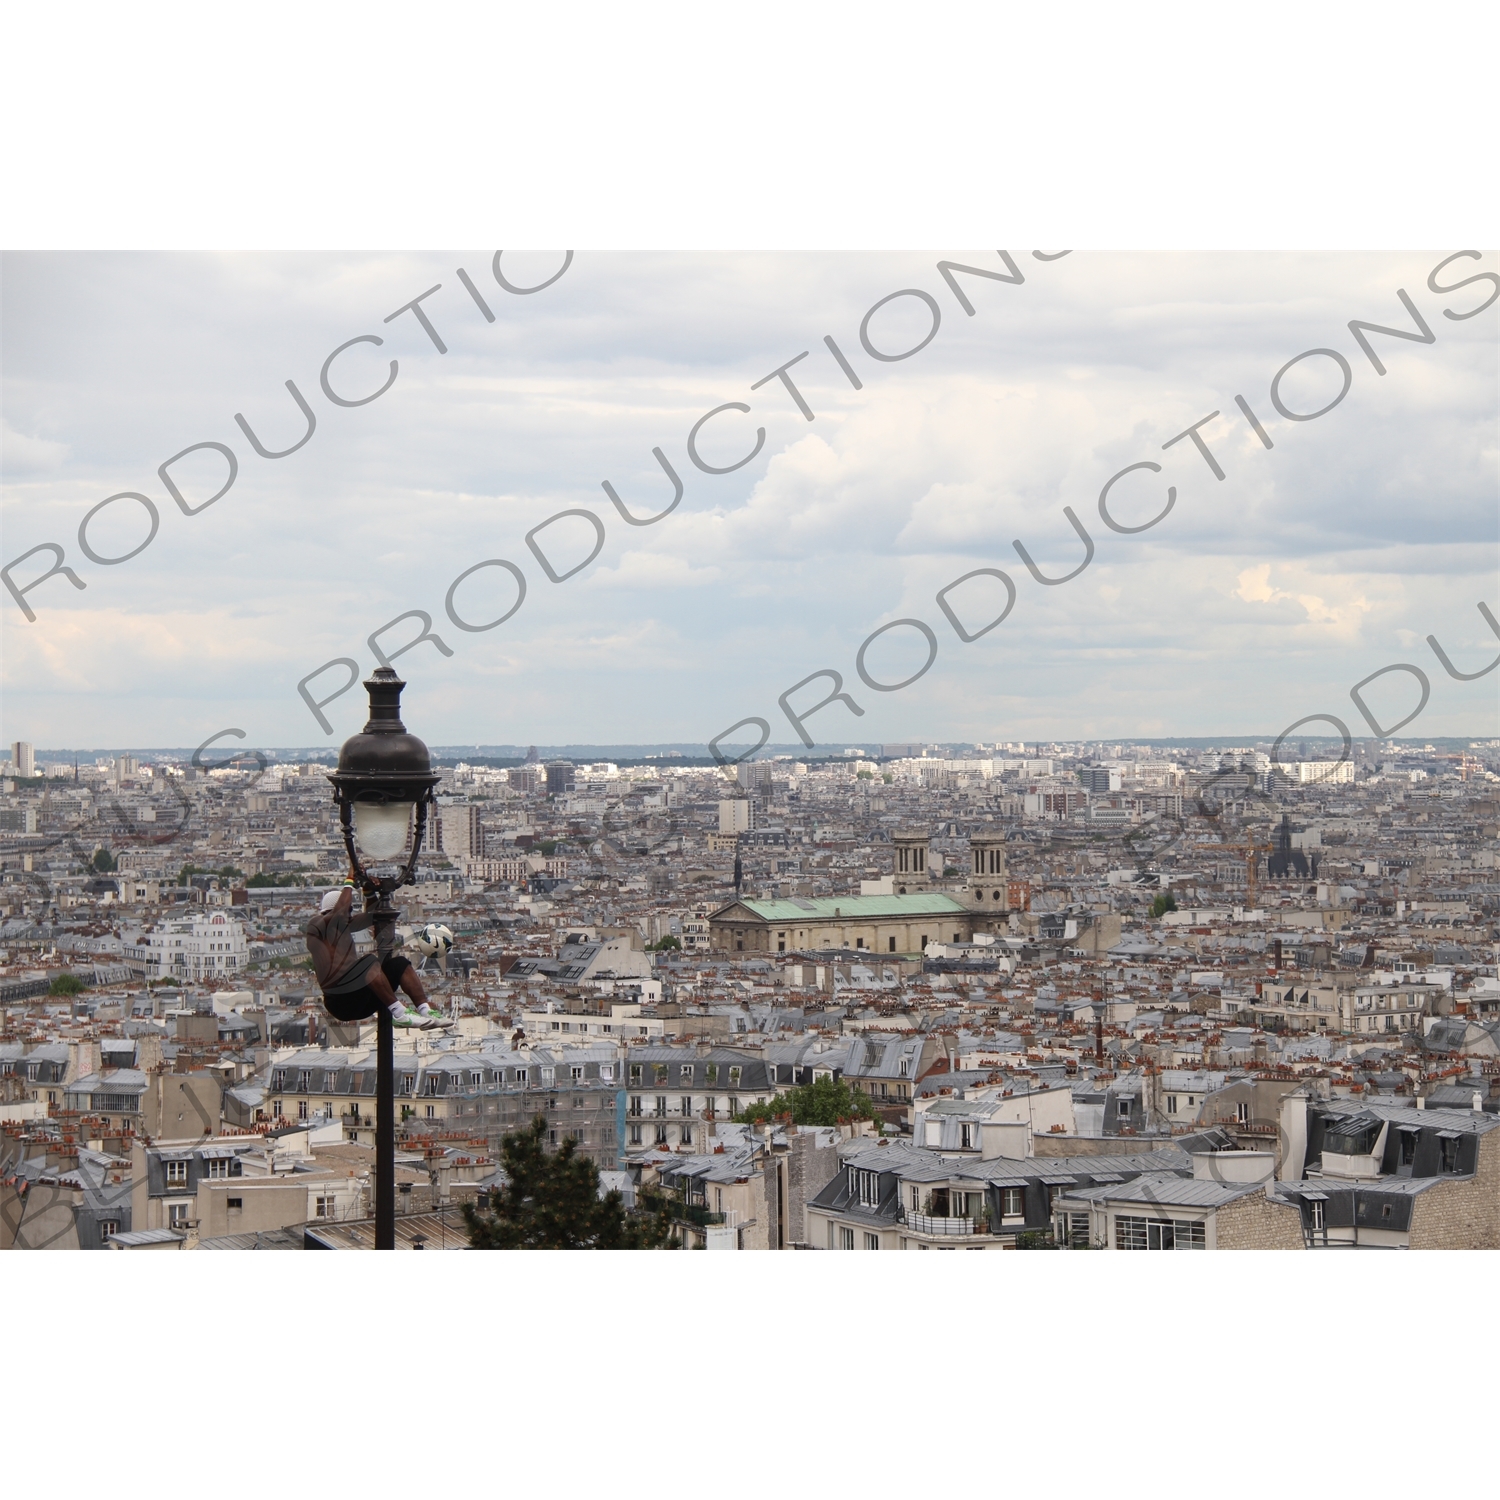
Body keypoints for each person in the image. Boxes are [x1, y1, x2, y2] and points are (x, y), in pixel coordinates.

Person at [305, 877, 442, 1027]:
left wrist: (369, 891)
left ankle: (425, 1010)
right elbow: (339, 915)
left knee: (399, 964)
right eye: (347, 911)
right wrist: (350, 880)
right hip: (340, 1001)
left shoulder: (344, 925)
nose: (349, 916)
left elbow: (375, 915)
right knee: (368, 962)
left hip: (359, 997)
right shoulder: (316, 928)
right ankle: (399, 1013)